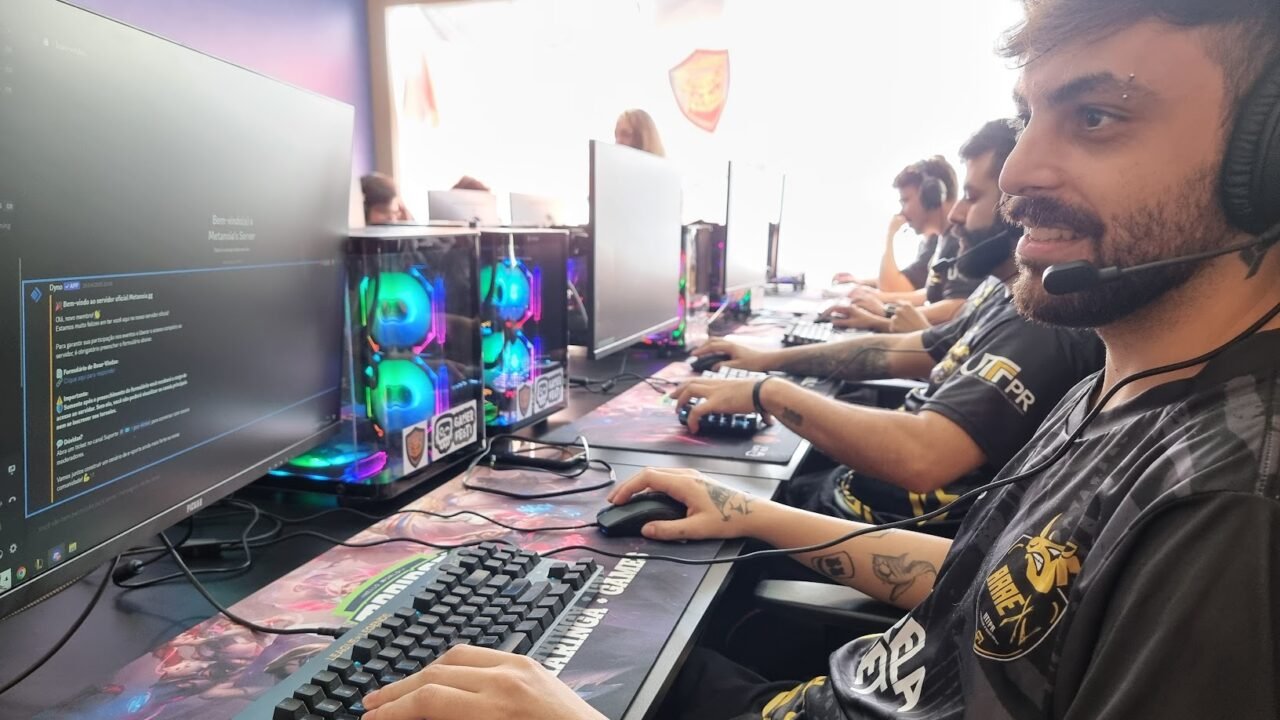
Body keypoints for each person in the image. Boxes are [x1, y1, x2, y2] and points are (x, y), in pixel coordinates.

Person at [360, 1, 1280, 717]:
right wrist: (749, 513)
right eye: (1029, 115)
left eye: (1098, 117)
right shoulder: (1129, 384)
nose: (1017, 175)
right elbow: (989, 592)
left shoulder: (1229, 505)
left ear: (1264, 166)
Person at [683, 119, 1102, 535]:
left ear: (1018, 212)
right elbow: (893, 352)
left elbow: (923, 458)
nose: (956, 212)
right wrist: (763, 361)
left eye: (972, 197)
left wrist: (768, 392)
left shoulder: (1043, 326)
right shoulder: (999, 293)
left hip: (875, 531)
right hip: (846, 497)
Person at [830, 158, 978, 330]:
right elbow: (932, 294)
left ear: (932, 195)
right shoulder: (942, 239)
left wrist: (886, 311)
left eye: (906, 200)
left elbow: (957, 304)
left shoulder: (960, 240)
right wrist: (880, 299)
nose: (902, 212)